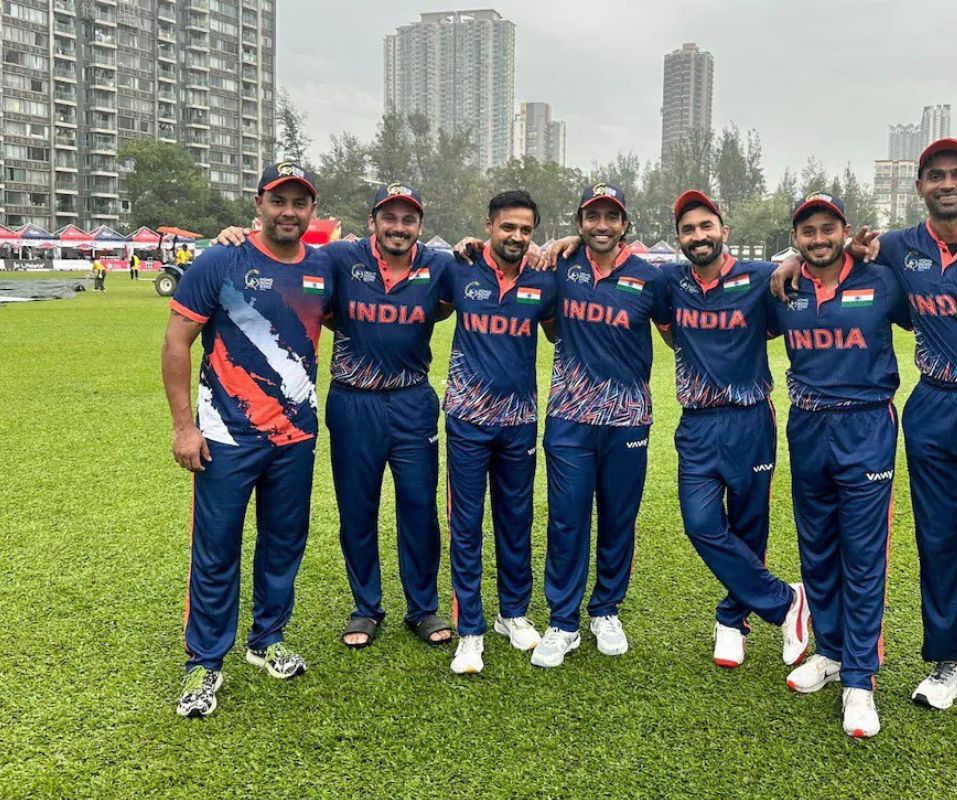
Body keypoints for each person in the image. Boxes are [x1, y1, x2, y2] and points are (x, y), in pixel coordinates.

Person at [776, 138, 957, 758]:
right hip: (933, 408)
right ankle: (947, 664)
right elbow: (834, 252)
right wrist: (788, 261)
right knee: (937, 547)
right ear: (920, 187)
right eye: (935, 176)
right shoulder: (902, 250)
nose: (947, 184)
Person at [214, 182, 458, 649]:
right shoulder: (339, 259)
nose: (399, 228)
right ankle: (366, 607)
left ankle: (422, 608)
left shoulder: (438, 264)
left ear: (420, 227)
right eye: (390, 218)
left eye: (409, 220)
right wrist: (236, 237)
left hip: (412, 401)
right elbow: (283, 254)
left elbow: (484, 267)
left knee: (419, 508)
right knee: (357, 508)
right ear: (373, 222)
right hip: (353, 402)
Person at [163, 161, 331, 718]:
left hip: (296, 437)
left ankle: (267, 639)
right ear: (258, 203)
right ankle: (204, 664)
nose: (288, 211)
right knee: (216, 550)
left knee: (283, 543)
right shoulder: (221, 259)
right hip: (226, 437)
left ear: (312, 210)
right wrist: (184, 427)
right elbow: (176, 343)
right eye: (278, 201)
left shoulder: (323, 268)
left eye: (299, 202)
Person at [769, 193, 911, 739]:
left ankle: (859, 679)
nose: (818, 239)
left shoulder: (882, 281)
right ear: (796, 238)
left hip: (866, 426)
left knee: (863, 553)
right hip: (807, 427)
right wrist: (786, 263)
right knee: (818, 545)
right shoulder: (783, 286)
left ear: (843, 230)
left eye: (828, 229)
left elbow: (925, 311)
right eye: (808, 232)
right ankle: (829, 650)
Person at [662, 190, 809, 671]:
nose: (698, 236)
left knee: (748, 526)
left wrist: (791, 254)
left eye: (707, 226)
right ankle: (788, 602)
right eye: (688, 229)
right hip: (697, 424)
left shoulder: (761, 277)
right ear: (679, 239)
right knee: (701, 524)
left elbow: (818, 255)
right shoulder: (672, 282)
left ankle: (732, 620)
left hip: (749, 419)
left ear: (724, 231)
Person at [529, 183, 672, 668]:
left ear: (625, 225)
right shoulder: (560, 267)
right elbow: (548, 322)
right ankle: (563, 620)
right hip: (569, 417)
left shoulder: (650, 278)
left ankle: (605, 610)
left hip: (628, 419)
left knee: (617, 518)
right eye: (593, 217)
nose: (602, 225)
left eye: (612, 217)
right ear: (579, 224)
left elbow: (674, 333)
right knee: (567, 518)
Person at [438, 190, 557, 675]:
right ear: (489, 225)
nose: (516, 236)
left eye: (525, 229)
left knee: (515, 520)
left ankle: (513, 613)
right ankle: (470, 630)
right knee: (466, 526)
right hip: (466, 418)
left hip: (520, 421)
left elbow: (557, 331)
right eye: (508, 226)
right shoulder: (459, 268)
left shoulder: (543, 280)